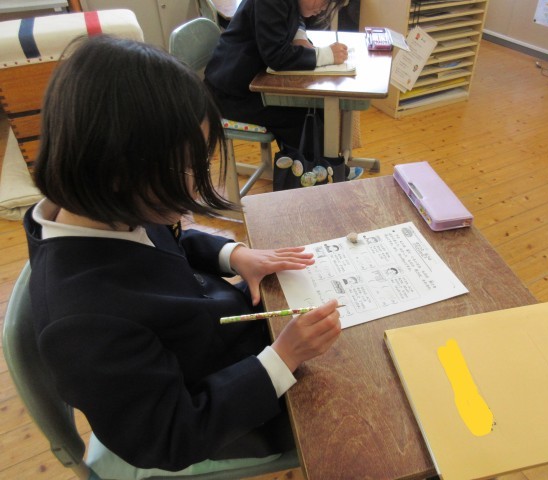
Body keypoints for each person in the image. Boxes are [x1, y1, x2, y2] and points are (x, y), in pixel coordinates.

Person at [24, 34, 342, 475]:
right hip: (234, 414)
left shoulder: (106, 211)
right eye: (190, 167)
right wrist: (282, 358)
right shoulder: (82, 324)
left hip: (229, 334)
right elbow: (171, 436)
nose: (198, 182)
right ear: (116, 171)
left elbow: (170, 241)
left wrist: (234, 255)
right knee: (361, 401)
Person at [204, 0, 363, 181]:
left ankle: (326, 170)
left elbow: (292, 16)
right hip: (231, 93)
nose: (323, 9)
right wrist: (325, 55)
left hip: (250, 78)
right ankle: (317, 176)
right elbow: (276, 55)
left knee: (316, 104)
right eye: (325, 2)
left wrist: (299, 35)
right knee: (300, 115)